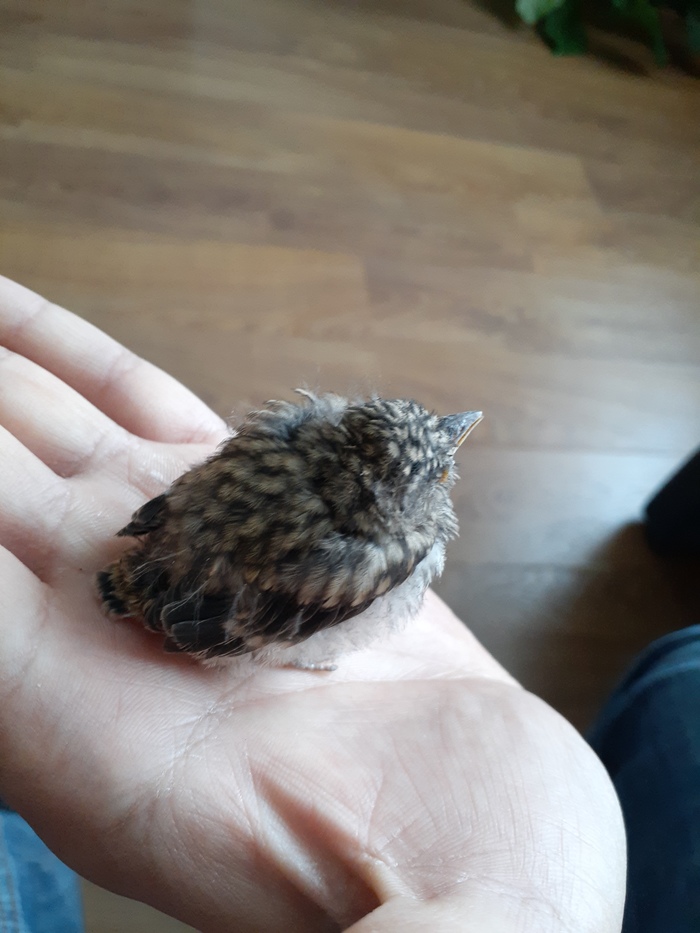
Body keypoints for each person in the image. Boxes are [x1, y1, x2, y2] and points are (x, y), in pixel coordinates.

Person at [0, 276, 625, 932]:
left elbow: (209, 502)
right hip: (200, 606)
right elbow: (251, 624)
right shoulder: (374, 559)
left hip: (178, 550)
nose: (452, 444)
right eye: (441, 473)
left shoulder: (290, 433)